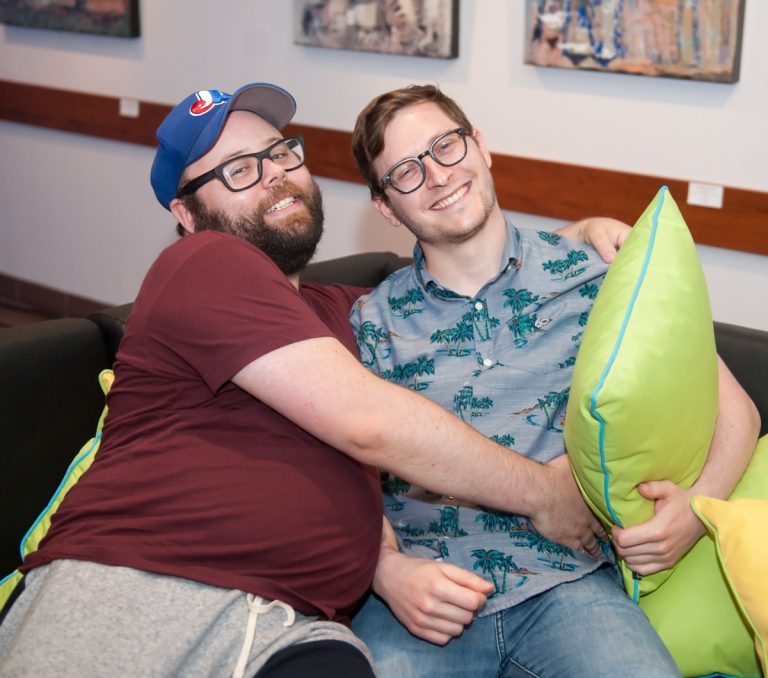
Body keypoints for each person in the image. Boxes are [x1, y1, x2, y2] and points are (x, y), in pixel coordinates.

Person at [0, 81, 632, 678]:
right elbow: (373, 424)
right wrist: (547, 496)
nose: (274, 172)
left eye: (279, 152)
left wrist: (569, 246)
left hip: (290, 630)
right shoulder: (202, 265)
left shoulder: (351, 313)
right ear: (187, 214)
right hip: (142, 588)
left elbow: (464, 284)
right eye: (238, 169)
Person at [348, 84, 760, 677]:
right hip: (424, 596)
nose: (437, 175)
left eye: (446, 146)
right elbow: (340, 478)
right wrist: (386, 569)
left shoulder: (596, 273)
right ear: (387, 208)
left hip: (569, 586)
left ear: (481, 147)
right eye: (406, 172)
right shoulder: (371, 324)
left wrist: (697, 507)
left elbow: (735, 410)